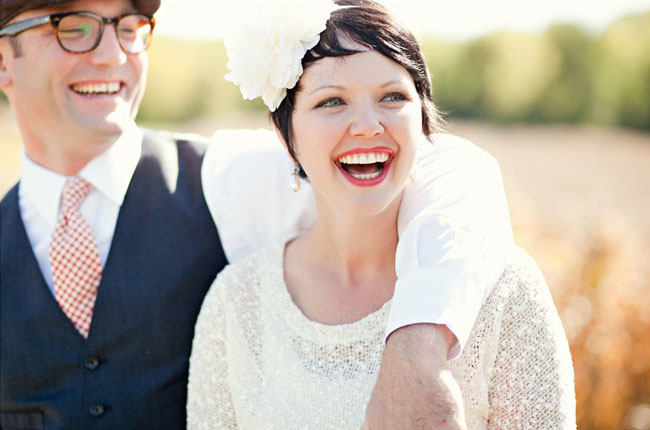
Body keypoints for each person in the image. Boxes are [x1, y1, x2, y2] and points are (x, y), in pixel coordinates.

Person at [0, 0, 512, 428]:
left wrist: (417, 350)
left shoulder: (218, 180)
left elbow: (444, 166)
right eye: (73, 29)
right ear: (4, 60)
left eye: (130, 28)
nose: (113, 54)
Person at [186, 1, 576, 429]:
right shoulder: (236, 303)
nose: (368, 125)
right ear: (285, 133)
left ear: (422, 117)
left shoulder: (505, 289)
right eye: (332, 101)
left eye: (393, 96)